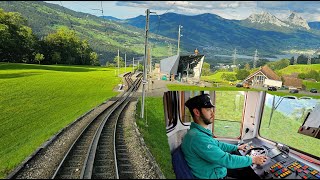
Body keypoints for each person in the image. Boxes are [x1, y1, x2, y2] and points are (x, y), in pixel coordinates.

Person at [181, 94, 268, 179]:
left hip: (216, 170)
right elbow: (227, 160)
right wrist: (252, 160)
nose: (213, 113)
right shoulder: (198, 138)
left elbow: (218, 144)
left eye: (212, 109)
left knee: (245, 171)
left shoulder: (197, 133)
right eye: (208, 110)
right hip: (215, 175)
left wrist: (236, 147)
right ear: (197, 112)